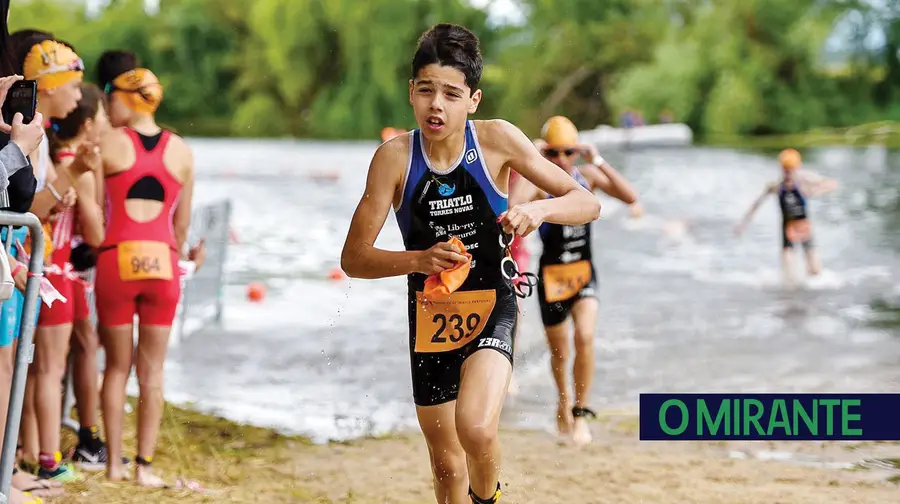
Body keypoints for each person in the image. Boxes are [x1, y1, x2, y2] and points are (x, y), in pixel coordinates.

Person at [340, 24, 600, 504]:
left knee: (476, 430)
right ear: (411, 94)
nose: (437, 105)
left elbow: (585, 202)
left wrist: (537, 210)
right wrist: (418, 258)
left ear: (473, 100)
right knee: (445, 462)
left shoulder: (498, 140)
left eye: (451, 94)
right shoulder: (393, 159)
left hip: (493, 300)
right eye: (426, 91)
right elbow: (353, 259)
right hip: (431, 313)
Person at [94, 50, 194, 486]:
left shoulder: (108, 144)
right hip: (163, 265)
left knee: (117, 368)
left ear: (129, 98)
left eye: (112, 96)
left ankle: (113, 464)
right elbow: (182, 225)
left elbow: (95, 216)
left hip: (116, 259)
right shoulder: (183, 151)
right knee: (152, 370)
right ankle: (144, 468)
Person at [510, 116, 637, 446]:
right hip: (552, 277)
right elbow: (514, 207)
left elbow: (630, 196)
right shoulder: (541, 184)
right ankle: (564, 400)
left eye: (568, 152)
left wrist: (596, 158)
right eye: (554, 154)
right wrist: (532, 162)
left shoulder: (588, 178)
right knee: (560, 352)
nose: (562, 160)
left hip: (583, 273)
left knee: (585, 336)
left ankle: (580, 411)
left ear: (577, 152)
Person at [43, 83, 109, 472]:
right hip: (59, 272)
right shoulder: (78, 166)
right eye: (101, 118)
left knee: (70, 351)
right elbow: (97, 233)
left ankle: (51, 444)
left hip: (59, 270)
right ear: (88, 124)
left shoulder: (61, 157)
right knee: (55, 363)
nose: (105, 126)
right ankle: (71, 443)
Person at [734, 148, 838, 281]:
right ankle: (789, 294)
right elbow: (756, 204)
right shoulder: (776, 186)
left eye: (791, 169)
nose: (788, 172)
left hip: (803, 226)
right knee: (788, 270)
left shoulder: (804, 180)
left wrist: (815, 191)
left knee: (815, 270)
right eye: (785, 169)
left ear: (797, 168)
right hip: (787, 228)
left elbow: (833, 184)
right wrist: (743, 224)